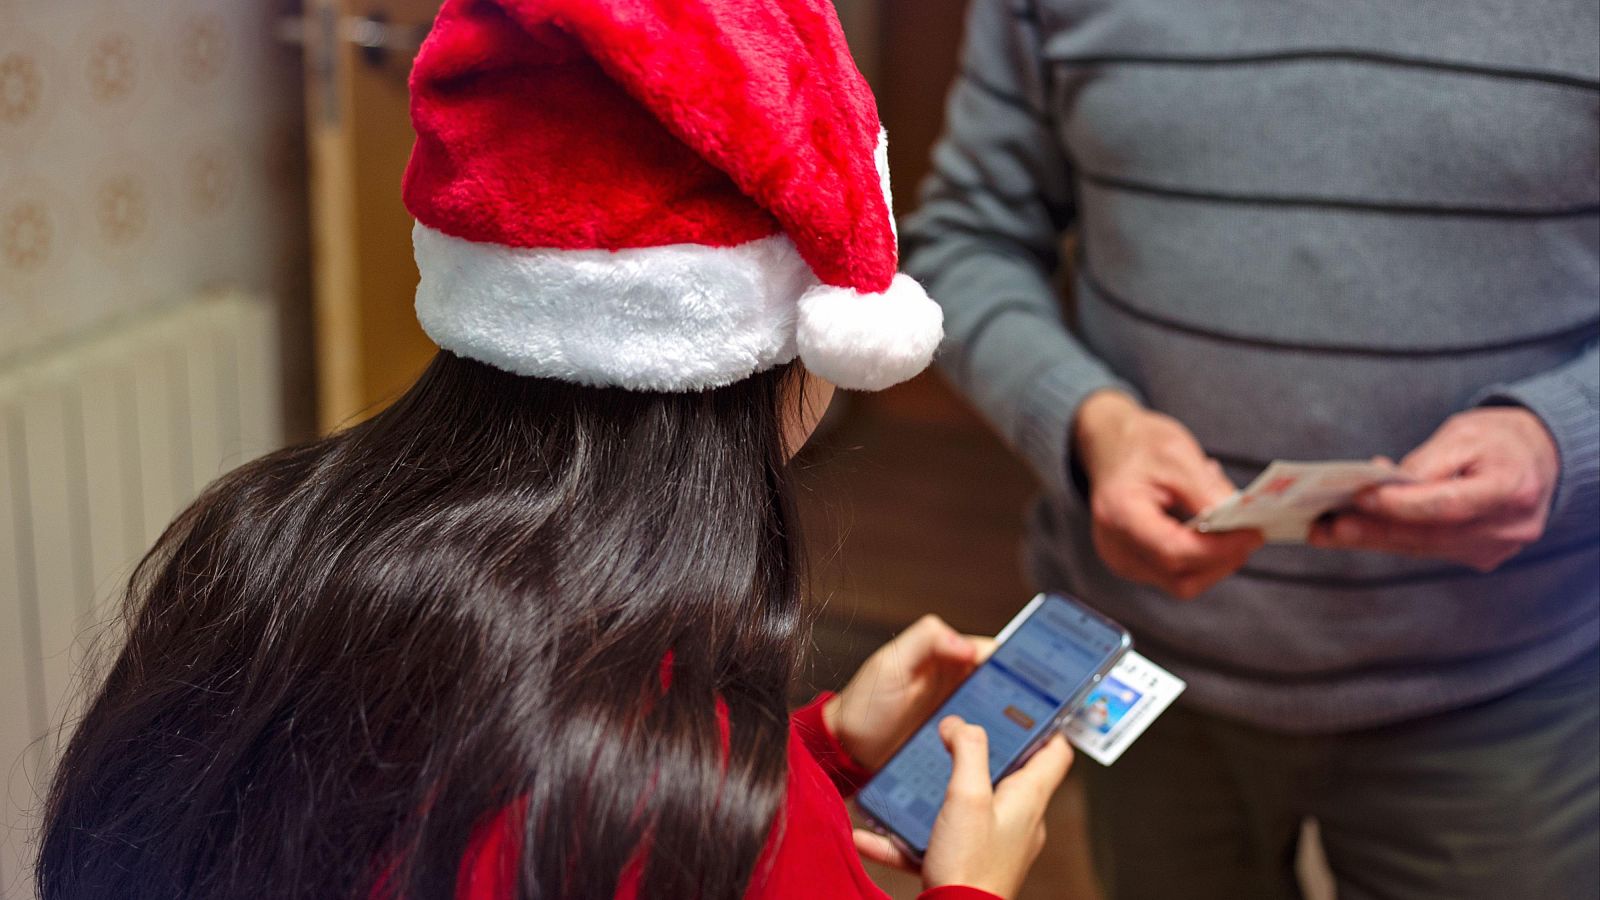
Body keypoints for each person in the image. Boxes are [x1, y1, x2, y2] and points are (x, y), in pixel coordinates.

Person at [35, 2, 1070, 898]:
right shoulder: (703, 811)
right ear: (792, 335)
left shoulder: (257, 542)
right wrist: (970, 888)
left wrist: (815, 749)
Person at [902, 1, 1599, 898]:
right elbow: (965, 238)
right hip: (1145, 673)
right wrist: (1088, 421)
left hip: (1518, 693)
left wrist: (1564, 433)